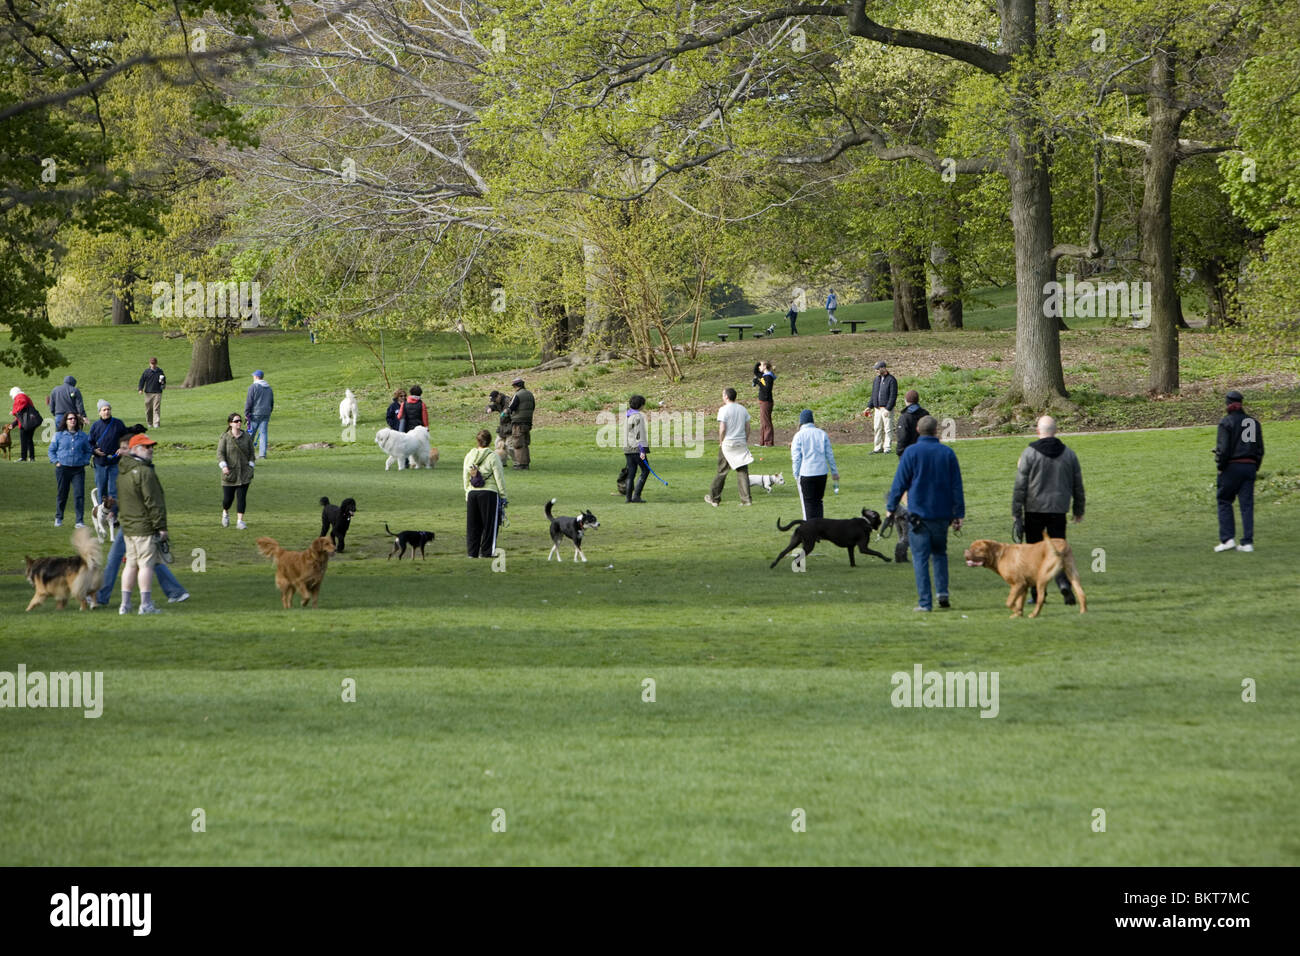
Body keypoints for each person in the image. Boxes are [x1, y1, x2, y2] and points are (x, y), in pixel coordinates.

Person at [885, 416, 965, 612]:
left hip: (918, 515)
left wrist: (891, 506)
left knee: (920, 559)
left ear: (918, 430)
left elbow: (900, 483)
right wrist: (958, 514)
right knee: (940, 554)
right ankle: (943, 594)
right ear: (936, 431)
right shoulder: (947, 453)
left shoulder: (911, 453)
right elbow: (956, 486)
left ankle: (925, 602)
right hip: (941, 514)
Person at [96, 442, 189, 605]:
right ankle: (175, 592)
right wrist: (114, 508)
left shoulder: (139, 470)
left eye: (124, 448)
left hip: (138, 523)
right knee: (146, 560)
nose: (121, 451)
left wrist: (159, 526)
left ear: (132, 451)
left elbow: (151, 500)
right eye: (121, 448)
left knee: (125, 560)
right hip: (132, 522)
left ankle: (113, 599)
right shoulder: (126, 469)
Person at [1012, 415, 1086, 605]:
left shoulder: (1029, 454)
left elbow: (1020, 486)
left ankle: (1037, 595)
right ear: (1056, 431)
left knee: (1034, 554)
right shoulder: (1069, 454)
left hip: (1034, 509)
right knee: (1058, 550)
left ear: (1038, 431)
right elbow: (1078, 484)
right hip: (1058, 510)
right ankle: (1063, 584)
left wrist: (1016, 512)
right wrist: (1078, 509)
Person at [116, 433, 168, 614]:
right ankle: (145, 605)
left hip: (128, 527)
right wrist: (161, 527)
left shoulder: (123, 472)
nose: (151, 449)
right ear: (136, 450)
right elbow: (153, 502)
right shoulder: (145, 472)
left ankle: (125, 604)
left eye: (151, 446)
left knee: (130, 565)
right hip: (144, 527)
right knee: (146, 565)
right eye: (147, 447)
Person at [1214, 389, 1264, 553]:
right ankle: (1247, 542)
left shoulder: (1226, 422)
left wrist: (1221, 467)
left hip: (1232, 466)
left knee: (1224, 500)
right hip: (1249, 467)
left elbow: (1223, 449)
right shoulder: (1253, 423)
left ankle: (1227, 539)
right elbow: (1259, 449)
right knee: (1247, 505)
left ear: (1228, 404)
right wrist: (1254, 466)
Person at [705, 387, 753, 507]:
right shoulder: (743, 409)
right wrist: (745, 440)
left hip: (728, 443)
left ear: (726, 396)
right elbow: (748, 427)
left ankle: (714, 498)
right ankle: (746, 500)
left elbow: (722, 428)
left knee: (722, 471)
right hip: (740, 443)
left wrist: (721, 441)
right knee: (742, 471)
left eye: (723, 395)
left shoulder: (723, 410)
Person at [464, 428, 505, 558]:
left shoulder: (470, 455)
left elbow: (465, 475)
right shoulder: (493, 456)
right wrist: (503, 495)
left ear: (477, 441)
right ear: (490, 441)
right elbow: (499, 477)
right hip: (489, 492)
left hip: (472, 493)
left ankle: (472, 552)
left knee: (472, 525)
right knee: (489, 525)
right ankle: (487, 552)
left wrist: (467, 491)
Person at [790, 409, 839, 521]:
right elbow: (829, 455)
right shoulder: (822, 434)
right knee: (818, 502)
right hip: (822, 473)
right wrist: (834, 472)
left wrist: (796, 474)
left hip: (806, 473)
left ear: (801, 422)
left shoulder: (798, 436)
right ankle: (820, 530)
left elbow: (796, 458)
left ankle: (810, 531)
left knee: (808, 503)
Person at [48, 412, 92, 527]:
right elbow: (51, 450)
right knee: (62, 494)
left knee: (79, 494)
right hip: (63, 468)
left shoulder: (82, 436)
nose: (73, 420)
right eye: (70, 418)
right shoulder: (58, 435)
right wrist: (56, 462)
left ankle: (79, 521)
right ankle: (59, 518)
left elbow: (88, 450)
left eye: (74, 419)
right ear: (66, 421)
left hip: (78, 469)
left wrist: (85, 461)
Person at [218, 412, 256, 529]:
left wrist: (251, 466)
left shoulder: (247, 437)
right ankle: (225, 512)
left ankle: (240, 521)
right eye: (236, 421)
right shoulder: (225, 437)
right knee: (227, 500)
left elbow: (251, 453)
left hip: (244, 473)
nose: (239, 423)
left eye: (240, 421)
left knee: (241, 497)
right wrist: (224, 466)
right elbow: (220, 453)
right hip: (230, 474)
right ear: (230, 424)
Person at [88, 399, 127, 501]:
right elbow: (89, 442)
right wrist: (94, 450)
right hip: (100, 463)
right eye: (104, 410)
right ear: (99, 412)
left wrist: (122, 448)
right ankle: (101, 514)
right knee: (101, 490)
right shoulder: (95, 426)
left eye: (108, 409)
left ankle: (112, 514)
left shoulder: (118, 423)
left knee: (113, 490)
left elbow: (126, 438)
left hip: (115, 462)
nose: (107, 411)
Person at [863, 360, 897, 454]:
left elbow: (893, 396)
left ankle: (887, 447)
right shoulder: (876, 380)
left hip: (886, 409)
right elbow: (874, 394)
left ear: (883, 368)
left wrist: (888, 409)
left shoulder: (891, 380)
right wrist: (869, 406)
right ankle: (877, 448)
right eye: (876, 369)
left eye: (878, 369)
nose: (876, 371)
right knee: (877, 428)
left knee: (888, 428)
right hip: (877, 408)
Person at [623, 395, 650, 503]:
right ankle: (636, 496)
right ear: (641, 405)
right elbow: (639, 434)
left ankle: (628, 498)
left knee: (631, 473)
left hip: (627, 448)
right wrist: (642, 450)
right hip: (636, 448)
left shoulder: (628, 415)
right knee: (645, 470)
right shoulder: (638, 417)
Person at [244, 369, 274, 459]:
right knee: (263, 433)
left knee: (250, 434)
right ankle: (262, 454)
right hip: (266, 413)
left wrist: (246, 412)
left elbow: (249, 401)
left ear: (256, 377)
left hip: (255, 413)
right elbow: (271, 402)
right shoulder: (269, 388)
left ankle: (247, 454)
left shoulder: (253, 387)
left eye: (253, 376)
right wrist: (269, 411)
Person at [506, 377, 535, 469]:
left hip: (518, 422)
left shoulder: (517, 395)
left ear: (515, 386)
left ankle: (520, 464)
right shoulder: (530, 394)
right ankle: (526, 463)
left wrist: (505, 413)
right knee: (525, 443)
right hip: (528, 422)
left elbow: (511, 407)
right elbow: (533, 406)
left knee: (518, 443)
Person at [895, 390, 930, 458]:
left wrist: (900, 451)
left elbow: (902, 436)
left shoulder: (905, 417)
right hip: (925, 450)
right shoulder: (925, 413)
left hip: (909, 452)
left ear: (906, 400)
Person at [9, 386, 41, 462]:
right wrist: (13, 424)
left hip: (26, 423)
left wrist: (14, 411)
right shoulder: (23, 396)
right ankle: (30, 458)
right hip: (27, 422)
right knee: (27, 440)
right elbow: (20, 415)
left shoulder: (20, 396)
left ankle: (25, 457)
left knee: (26, 440)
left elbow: (22, 403)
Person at [752, 361, 776, 446]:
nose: (759, 367)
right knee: (763, 422)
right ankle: (762, 442)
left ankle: (768, 442)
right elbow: (755, 371)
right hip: (763, 401)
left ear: (765, 366)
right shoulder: (764, 376)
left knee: (766, 422)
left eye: (761, 366)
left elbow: (767, 390)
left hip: (766, 401)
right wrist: (758, 363)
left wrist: (758, 382)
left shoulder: (768, 377)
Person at [138, 357, 165, 428]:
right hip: (148, 393)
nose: (153, 365)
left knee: (156, 408)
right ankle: (149, 423)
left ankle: (156, 423)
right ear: (149, 364)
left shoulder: (160, 371)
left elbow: (163, 381)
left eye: (154, 363)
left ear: (156, 363)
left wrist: (162, 384)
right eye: (152, 364)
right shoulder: (146, 372)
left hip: (157, 392)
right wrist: (140, 389)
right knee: (148, 409)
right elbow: (142, 381)